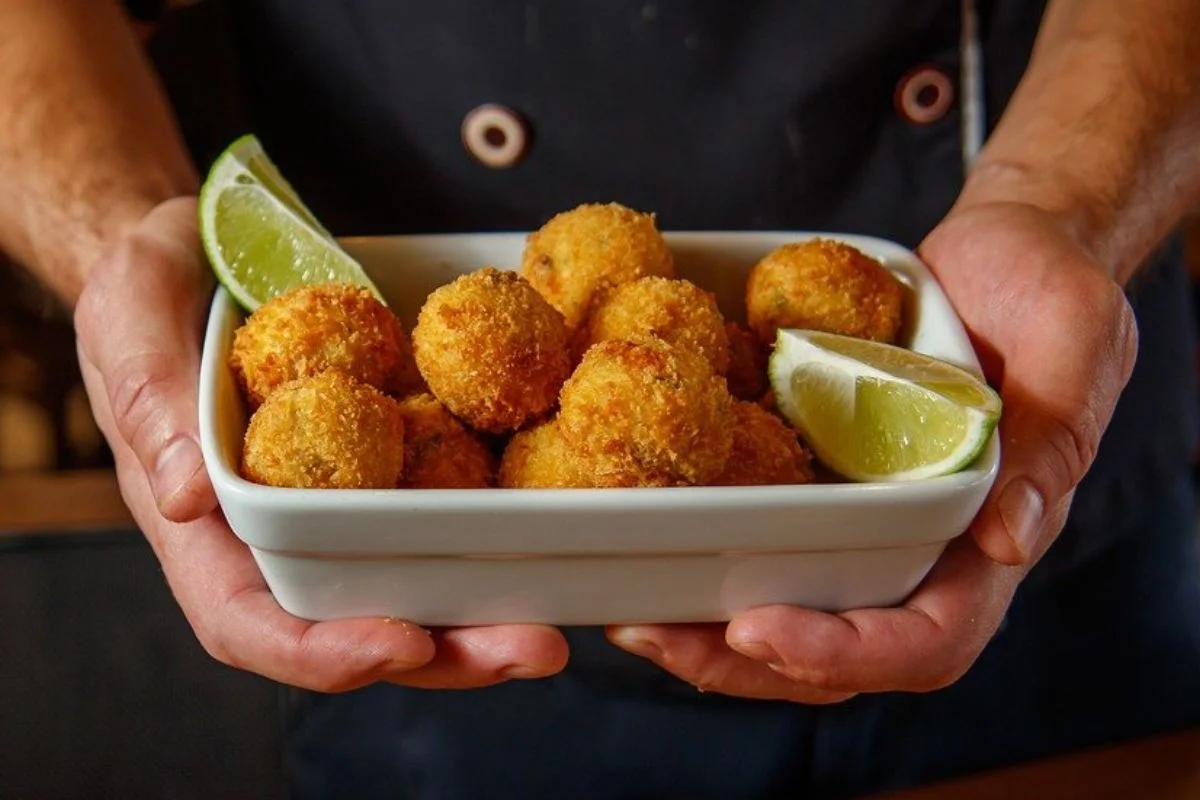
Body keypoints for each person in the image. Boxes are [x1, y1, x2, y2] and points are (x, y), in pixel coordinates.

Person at [3, 0, 1199, 797]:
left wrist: (1056, 203)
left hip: (1037, 575)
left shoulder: (687, 362)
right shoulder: (438, 380)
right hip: (436, 641)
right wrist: (124, 233)